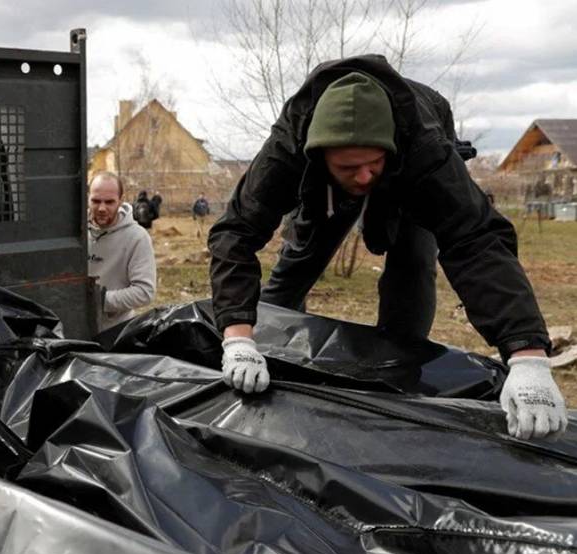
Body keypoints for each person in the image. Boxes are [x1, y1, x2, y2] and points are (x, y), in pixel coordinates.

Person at [207, 55, 567, 440]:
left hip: (407, 168)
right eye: (350, 167)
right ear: (319, 154)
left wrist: (528, 357)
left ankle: (396, 379)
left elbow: (475, 239)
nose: (363, 176)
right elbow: (236, 232)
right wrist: (238, 337)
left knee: (412, 262)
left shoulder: (425, 145)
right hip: (326, 189)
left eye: (370, 165)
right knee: (299, 260)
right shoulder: (289, 145)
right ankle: (261, 355)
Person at [88, 172, 157, 331]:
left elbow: (144, 292)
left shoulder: (137, 237)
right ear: (88, 198)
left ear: (121, 200)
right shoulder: (75, 233)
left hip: (114, 331)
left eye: (109, 202)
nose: (102, 208)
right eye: (96, 201)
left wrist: (100, 301)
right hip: (73, 327)